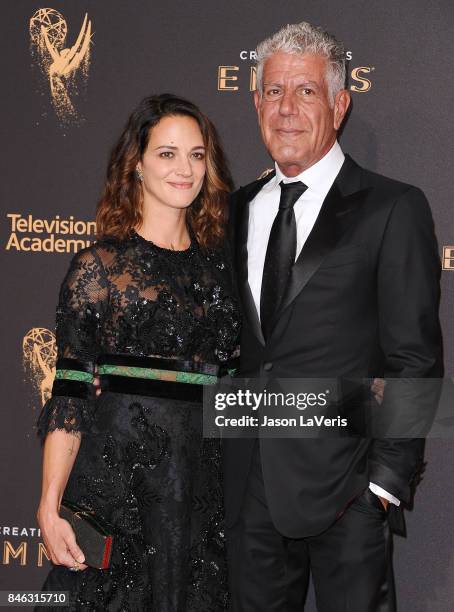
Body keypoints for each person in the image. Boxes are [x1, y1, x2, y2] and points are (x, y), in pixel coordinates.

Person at [224, 22, 443, 611]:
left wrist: (384, 485)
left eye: (306, 92)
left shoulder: (393, 208)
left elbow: (415, 358)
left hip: (347, 491)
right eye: (273, 92)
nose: (287, 109)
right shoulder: (236, 207)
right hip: (249, 488)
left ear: (340, 104)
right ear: (255, 103)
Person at [36, 93, 240, 612]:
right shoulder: (98, 268)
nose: (185, 168)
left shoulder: (226, 274)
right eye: (167, 153)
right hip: (118, 486)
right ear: (137, 164)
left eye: (197, 154)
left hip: (206, 483)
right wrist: (50, 502)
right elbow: (71, 393)